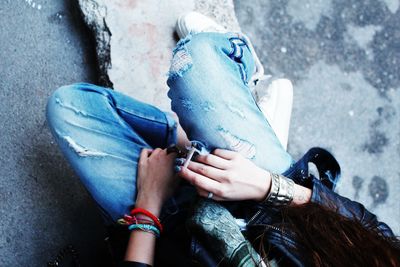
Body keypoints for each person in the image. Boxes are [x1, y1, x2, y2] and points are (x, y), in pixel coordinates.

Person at [46, 12, 399, 267]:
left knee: (69, 107)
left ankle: (196, 143)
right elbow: (372, 232)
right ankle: (232, 100)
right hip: (270, 209)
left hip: (176, 237)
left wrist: (148, 206)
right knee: (195, 59)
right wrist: (268, 186)